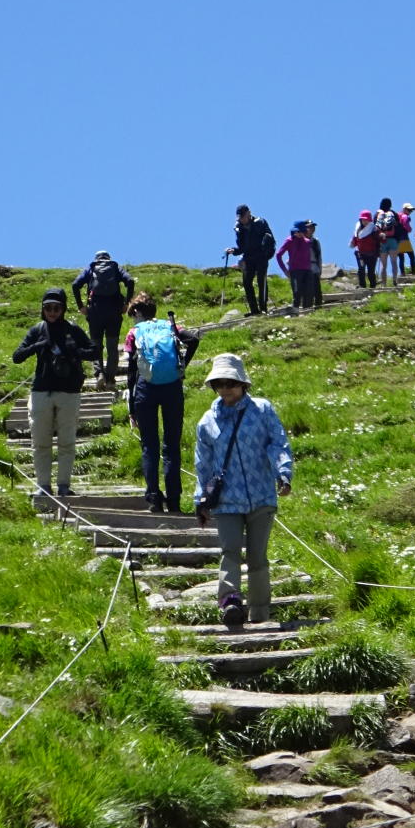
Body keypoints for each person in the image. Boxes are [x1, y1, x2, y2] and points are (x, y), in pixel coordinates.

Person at [194, 354, 293, 629]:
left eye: (231, 383)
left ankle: (260, 611)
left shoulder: (262, 410)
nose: (226, 389)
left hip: (262, 494)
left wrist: (283, 474)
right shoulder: (207, 422)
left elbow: (278, 444)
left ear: (243, 384)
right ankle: (230, 603)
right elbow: (202, 464)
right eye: (220, 384)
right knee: (230, 551)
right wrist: (200, 501)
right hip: (226, 500)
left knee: (258, 556)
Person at [12, 288, 98, 503]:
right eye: (48, 308)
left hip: (69, 393)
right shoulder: (37, 330)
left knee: (67, 442)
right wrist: (38, 345)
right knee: (40, 442)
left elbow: (95, 351)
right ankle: (43, 486)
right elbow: (17, 357)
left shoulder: (73, 330)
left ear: (63, 309)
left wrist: (74, 351)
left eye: (56, 308)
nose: (52, 312)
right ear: (42, 309)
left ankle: (63, 486)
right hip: (41, 392)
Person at [124, 292, 200, 515]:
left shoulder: (134, 332)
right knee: (171, 446)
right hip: (172, 387)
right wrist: (182, 365)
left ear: (137, 312)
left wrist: (131, 407)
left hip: (145, 389)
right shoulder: (170, 326)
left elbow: (130, 372)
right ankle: (174, 501)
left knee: (149, 446)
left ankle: (154, 499)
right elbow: (193, 339)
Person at [71, 249, 136, 386]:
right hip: (114, 311)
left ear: (96, 258)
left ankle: (99, 374)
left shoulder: (91, 267)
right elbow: (130, 281)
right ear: (108, 258)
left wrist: (81, 306)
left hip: (95, 311)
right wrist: (126, 303)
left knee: (95, 345)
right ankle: (111, 379)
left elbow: (75, 285)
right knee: (112, 346)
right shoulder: (115, 266)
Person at [226, 205, 276, 316]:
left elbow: (271, 240)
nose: (242, 219)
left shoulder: (260, 222)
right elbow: (242, 248)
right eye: (240, 217)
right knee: (247, 282)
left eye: (243, 216)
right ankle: (254, 310)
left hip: (261, 256)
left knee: (261, 280)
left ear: (248, 213)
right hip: (248, 258)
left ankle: (263, 309)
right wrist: (234, 250)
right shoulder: (239, 227)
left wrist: (267, 254)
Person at [276, 219, 317, 312]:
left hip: (307, 270)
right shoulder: (289, 241)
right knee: (297, 293)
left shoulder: (307, 242)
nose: (299, 234)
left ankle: (308, 312)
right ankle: (295, 313)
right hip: (295, 271)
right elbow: (278, 255)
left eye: (301, 232)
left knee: (309, 292)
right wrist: (285, 271)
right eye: (297, 231)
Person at [375, 197, 402, 288]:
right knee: (394, 261)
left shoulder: (377, 214)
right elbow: (399, 227)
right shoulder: (393, 213)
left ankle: (383, 284)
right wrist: (397, 240)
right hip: (393, 240)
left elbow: (375, 228)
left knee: (383, 264)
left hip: (383, 241)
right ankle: (395, 280)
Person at [351, 209, 379, 289]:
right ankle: (362, 286)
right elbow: (355, 240)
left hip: (372, 254)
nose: (365, 221)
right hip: (360, 253)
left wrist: (382, 237)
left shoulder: (374, 229)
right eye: (363, 219)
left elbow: (379, 239)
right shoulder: (358, 230)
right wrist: (353, 243)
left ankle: (373, 286)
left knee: (371, 271)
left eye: (366, 220)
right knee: (361, 269)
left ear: (369, 220)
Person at [305, 219, 324, 308]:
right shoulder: (301, 240)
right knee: (308, 290)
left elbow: (319, 256)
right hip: (304, 267)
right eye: (309, 227)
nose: (312, 229)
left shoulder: (316, 241)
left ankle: (318, 306)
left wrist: (320, 269)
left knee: (317, 290)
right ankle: (307, 307)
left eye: (313, 227)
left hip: (314, 267)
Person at [396, 203, 415, 276]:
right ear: (404, 209)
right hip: (404, 239)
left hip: (397, 239)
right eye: (409, 210)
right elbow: (406, 225)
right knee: (412, 256)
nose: (410, 211)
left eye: (411, 210)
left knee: (401, 257)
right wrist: (409, 229)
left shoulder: (397, 216)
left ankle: (402, 273)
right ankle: (413, 272)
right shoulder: (405, 216)